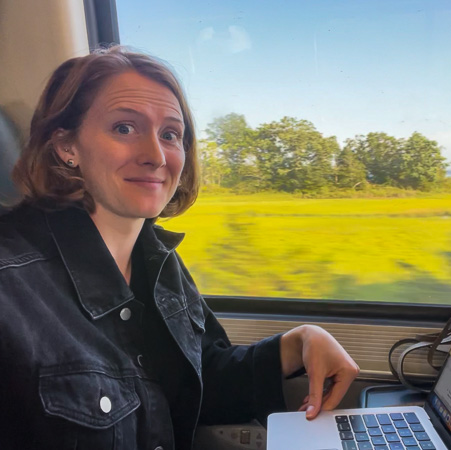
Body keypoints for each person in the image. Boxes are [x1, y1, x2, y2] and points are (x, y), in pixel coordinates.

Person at [0, 46, 360, 450]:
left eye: (170, 134)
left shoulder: (158, 261)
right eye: (124, 128)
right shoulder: (11, 290)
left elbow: (199, 382)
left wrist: (298, 343)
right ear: (66, 146)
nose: (155, 156)